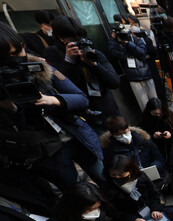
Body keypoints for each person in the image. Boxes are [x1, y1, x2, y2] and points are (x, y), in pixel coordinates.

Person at [0, 23, 105, 190]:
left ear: (23, 45)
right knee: (76, 194)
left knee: (103, 177)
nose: (14, 61)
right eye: (6, 58)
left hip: (76, 136)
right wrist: (10, 107)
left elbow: (82, 99)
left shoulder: (41, 68)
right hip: (46, 151)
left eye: (16, 53)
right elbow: (16, 131)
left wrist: (53, 100)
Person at [43, 16, 121, 126]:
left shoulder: (94, 53)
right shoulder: (54, 54)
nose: (78, 42)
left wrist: (94, 64)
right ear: (61, 39)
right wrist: (69, 61)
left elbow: (114, 82)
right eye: (73, 39)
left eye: (81, 38)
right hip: (83, 114)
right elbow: (63, 87)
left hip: (109, 111)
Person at [102, 155, 173, 221]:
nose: (117, 177)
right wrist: (133, 220)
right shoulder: (108, 187)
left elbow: (154, 194)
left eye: (121, 175)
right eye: (114, 175)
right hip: (130, 219)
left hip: (149, 211)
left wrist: (155, 209)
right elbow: (113, 211)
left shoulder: (141, 177)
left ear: (130, 171)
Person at [108, 21, 157, 112]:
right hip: (133, 77)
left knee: (155, 102)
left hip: (146, 73)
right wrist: (115, 41)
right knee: (144, 105)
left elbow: (142, 53)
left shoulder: (135, 40)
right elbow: (116, 55)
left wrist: (128, 43)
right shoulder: (114, 43)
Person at [101, 116, 166, 179]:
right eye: (119, 135)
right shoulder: (109, 150)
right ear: (113, 135)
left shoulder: (144, 140)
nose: (124, 136)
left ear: (129, 129)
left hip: (154, 175)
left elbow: (159, 159)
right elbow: (111, 171)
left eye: (125, 132)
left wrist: (152, 168)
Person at [139, 97, 173, 161]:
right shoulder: (145, 120)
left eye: (160, 114)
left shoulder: (171, 118)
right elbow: (142, 138)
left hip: (172, 148)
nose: (158, 116)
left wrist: (171, 136)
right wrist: (152, 136)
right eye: (155, 114)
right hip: (155, 150)